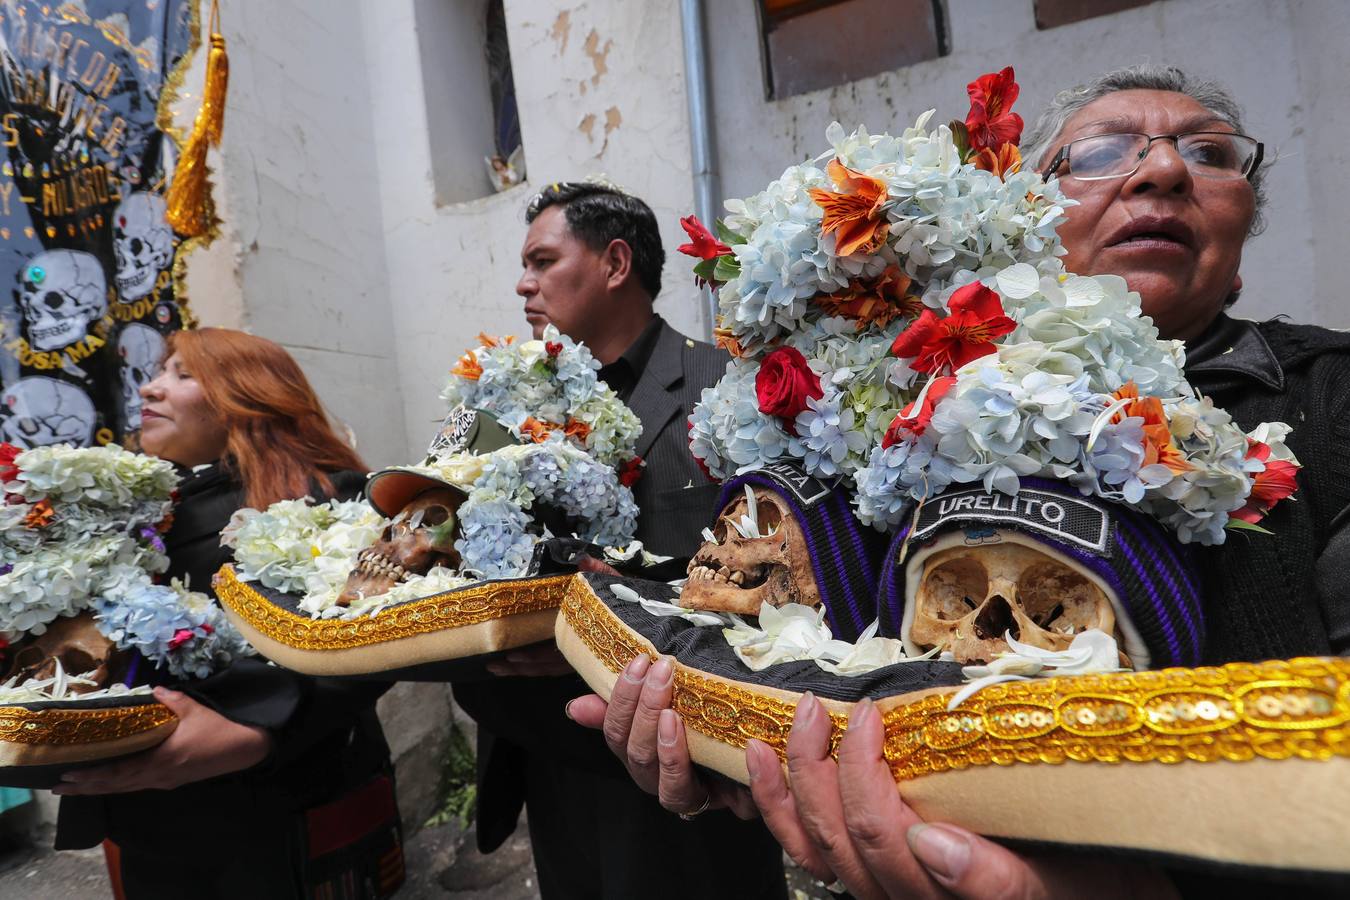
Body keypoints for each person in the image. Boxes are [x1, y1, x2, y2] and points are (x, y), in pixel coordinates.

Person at [569, 66, 1350, 899]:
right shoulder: (894, 409)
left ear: (1240, 247)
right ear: (1020, 229)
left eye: (1209, 152)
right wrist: (734, 754)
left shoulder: (1331, 397)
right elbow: (797, 651)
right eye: (1105, 151)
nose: (1161, 171)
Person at [451, 182, 788, 899]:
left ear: (613, 263)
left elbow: (774, 579)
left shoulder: (722, 389)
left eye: (543, 260)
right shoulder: (508, 404)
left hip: (684, 757)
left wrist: (591, 633)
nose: (523, 283)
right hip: (551, 752)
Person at [53, 328, 402, 900]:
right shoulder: (134, 521)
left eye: (183, 375)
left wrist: (258, 734)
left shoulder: (329, 499)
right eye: (159, 372)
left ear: (251, 399)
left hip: (284, 810)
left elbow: (380, 639)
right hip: (152, 821)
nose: (150, 390)